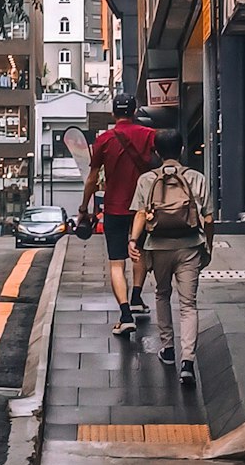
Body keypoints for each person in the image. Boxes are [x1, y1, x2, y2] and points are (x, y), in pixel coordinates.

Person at [129, 129, 213, 385]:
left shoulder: (147, 179)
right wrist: (207, 245)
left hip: (158, 246)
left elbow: (142, 214)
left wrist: (133, 241)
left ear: (156, 152)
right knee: (189, 305)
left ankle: (167, 348)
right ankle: (187, 362)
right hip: (189, 245)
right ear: (182, 150)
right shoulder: (196, 178)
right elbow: (208, 218)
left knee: (162, 294)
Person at [77, 92, 156, 335]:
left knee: (116, 262)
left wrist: (84, 208)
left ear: (113, 113)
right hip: (141, 209)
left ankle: (125, 314)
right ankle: (136, 297)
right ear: (134, 112)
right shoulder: (149, 136)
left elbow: (92, 178)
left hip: (114, 207)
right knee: (139, 252)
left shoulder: (103, 140)